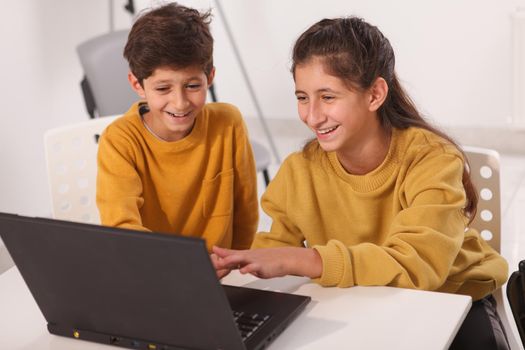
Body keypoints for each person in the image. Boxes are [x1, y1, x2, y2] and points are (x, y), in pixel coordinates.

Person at [213, 16, 510, 349]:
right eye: (302, 97)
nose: (312, 116)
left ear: (375, 95)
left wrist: (308, 259)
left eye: (327, 97)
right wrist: (233, 262)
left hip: (451, 297)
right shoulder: (301, 170)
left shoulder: (432, 159)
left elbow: (418, 266)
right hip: (364, 300)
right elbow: (276, 246)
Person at [96, 3, 258, 253]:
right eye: (163, 89)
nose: (180, 103)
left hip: (222, 276)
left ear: (210, 78)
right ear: (137, 85)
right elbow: (121, 228)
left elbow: (245, 215)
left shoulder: (228, 123)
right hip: (154, 273)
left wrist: (237, 266)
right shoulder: (119, 141)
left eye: (193, 86)